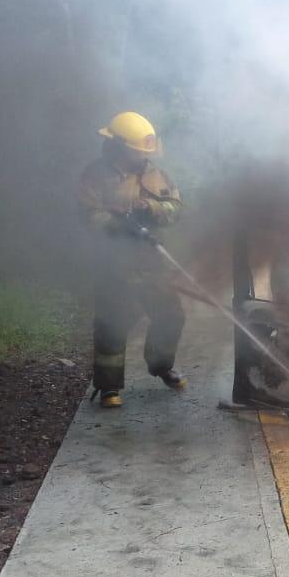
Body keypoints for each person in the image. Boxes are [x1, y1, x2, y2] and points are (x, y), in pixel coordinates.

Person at [78, 111, 187, 409]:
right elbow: (87, 215)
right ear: (118, 146)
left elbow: (177, 208)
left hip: (152, 262)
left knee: (171, 315)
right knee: (113, 322)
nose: (142, 157)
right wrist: (117, 224)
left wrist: (150, 207)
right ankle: (108, 386)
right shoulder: (95, 176)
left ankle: (162, 366)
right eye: (137, 151)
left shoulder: (156, 175)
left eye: (145, 152)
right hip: (114, 263)